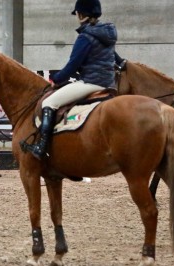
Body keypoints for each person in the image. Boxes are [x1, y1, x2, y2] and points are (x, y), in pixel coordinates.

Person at [26, 0, 117, 160]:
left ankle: (42, 147)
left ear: (81, 15)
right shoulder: (107, 34)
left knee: (49, 103)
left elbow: (72, 65)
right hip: (108, 83)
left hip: (91, 82)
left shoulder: (85, 37)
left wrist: (55, 79)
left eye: (77, 14)